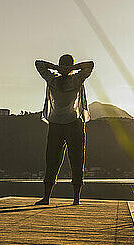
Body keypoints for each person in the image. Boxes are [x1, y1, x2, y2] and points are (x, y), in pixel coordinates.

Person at [34, 54, 94, 206]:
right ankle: (75, 199)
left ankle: (48, 198)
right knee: (75, 160)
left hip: (60, 124)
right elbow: (89, 65)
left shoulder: (53, 79)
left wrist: (58, 68)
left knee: (53, 160)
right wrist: (70, 69)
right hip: (71, 124)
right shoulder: (75, 79)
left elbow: (39, 64)